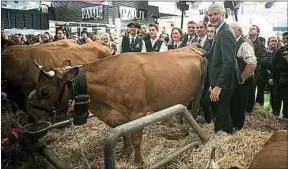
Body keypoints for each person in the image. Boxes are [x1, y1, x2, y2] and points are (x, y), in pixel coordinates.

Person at [207, 3, 241, 134]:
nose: (213, 17)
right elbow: (217, 55)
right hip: (222, 81)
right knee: (223, 113)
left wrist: (218, 86)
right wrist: (203, 53)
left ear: (223, 14)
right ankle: (226, 138)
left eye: (216, 14)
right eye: (210, 15)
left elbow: (229, 62)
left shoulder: (225, 32)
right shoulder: (221, 30)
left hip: (225, 84)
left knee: (222, 115)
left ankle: (223, 141)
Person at [230, 22, 257, 130]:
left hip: (244, 82)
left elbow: (252, 63)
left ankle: (237, 130)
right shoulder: (235, 42)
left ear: (239, 31)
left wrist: (241, 79)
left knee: (238, 107)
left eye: (230, 32)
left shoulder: (244, 43)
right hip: (236, 81)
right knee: (234, 105)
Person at [271, 31, 288, 119]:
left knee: (286, 102)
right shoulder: (279, 50)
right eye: (284, 38)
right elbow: (273, 63)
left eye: (287, 39)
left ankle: (285, 118)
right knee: (276, 99)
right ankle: (275, 116)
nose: (285, 40)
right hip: (278, 79)